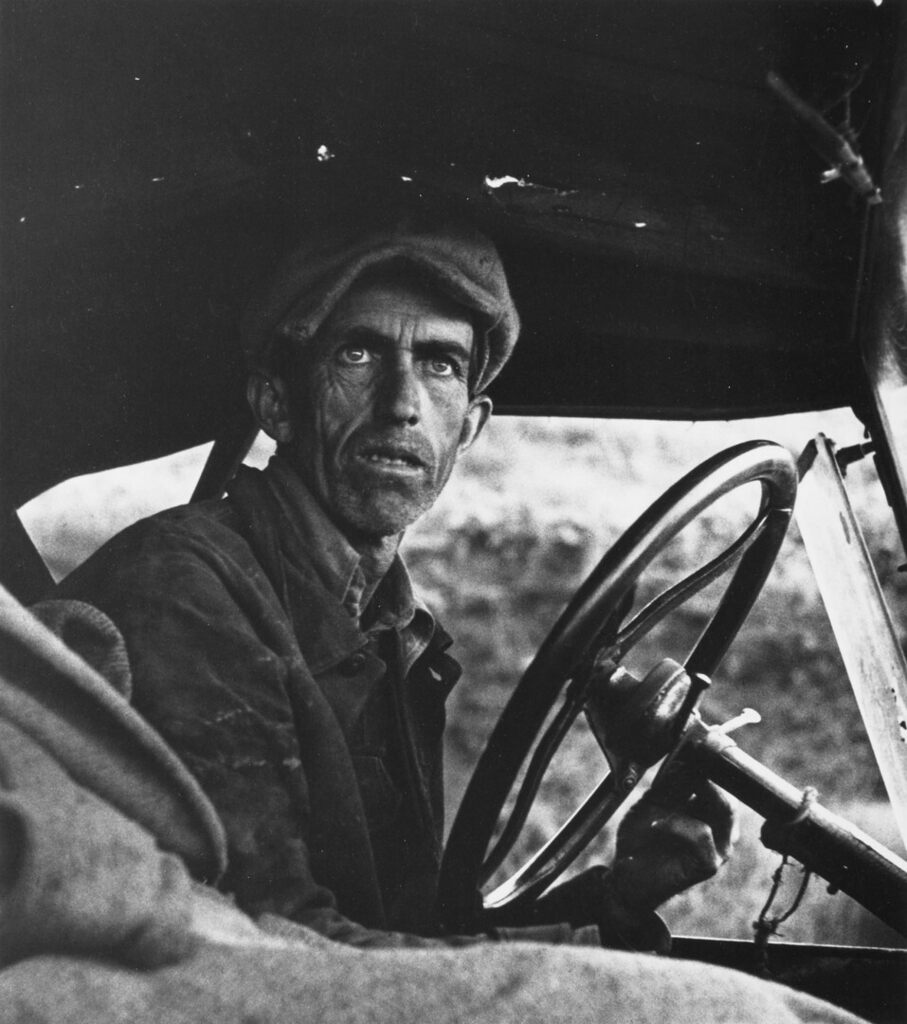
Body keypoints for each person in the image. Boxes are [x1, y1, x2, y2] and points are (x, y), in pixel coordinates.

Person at [54, 210, 735, 950]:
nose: (402, 403)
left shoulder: (393, 628)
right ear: (277, 402)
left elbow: (401, 934)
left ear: (468, 427)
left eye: (439, 365)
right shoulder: (182, 594)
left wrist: (618, 898)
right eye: (357, 354)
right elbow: (279, 950)